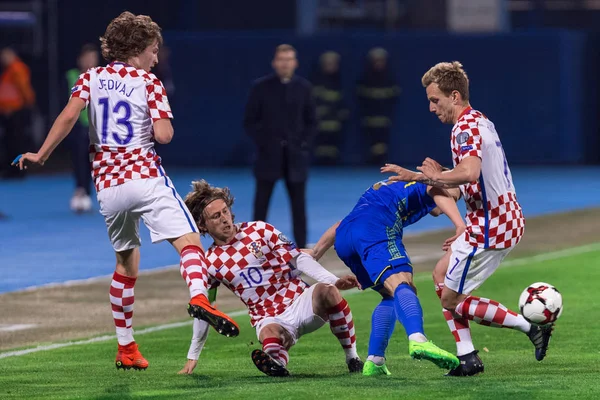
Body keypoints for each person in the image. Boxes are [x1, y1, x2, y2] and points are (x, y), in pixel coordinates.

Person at [12, 11, 238, 371]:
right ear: (138, 49)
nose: (155, 57)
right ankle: (200, 298)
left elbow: (69, 117)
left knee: (126, 266)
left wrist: (41, 153)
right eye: (153, 49)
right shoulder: (150, 83)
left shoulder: (91, 76)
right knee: (190, 242)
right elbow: (163, 136)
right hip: (145, 177)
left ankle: (126, 347)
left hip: (109, 187)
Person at [381, 61, 553, 377]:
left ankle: (529, 327)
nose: (432, 108)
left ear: (455, 95)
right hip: (495, 219)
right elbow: (469, 181)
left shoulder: (464, 128)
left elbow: (469, 172)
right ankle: (468, 356)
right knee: (439, 274)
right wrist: (425, 179)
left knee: (450, 299)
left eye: (435, 100)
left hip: (491, 225)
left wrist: (433, 177)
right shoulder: (480, 122)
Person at [179, 180, 363, 377]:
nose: (225, 218)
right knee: (270, 334)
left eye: (225, 211)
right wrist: (193, 354)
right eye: (216, 216)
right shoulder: (209, 262)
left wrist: (333, 280)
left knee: (327, 291)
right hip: (267, 317)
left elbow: (298, 258)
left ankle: (352, 357)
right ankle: (276, 362)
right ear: (202, 225)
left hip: (301, 301)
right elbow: (206, 308)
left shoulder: (259, 230)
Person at [308, 178, 464, 376]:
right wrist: (460, 224)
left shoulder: (397, 187)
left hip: (345, 237)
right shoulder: (428, 182)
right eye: (455, 196)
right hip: (375, 229)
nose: (452, 201)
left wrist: (315, 252)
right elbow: (436, 188)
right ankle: (418, 339)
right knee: (403, 284)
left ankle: (375, 360)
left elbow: (341, 223)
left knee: (391, 294)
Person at [243, 44, 317, 248]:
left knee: (299, 209)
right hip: (268, 157)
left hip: (295, 159)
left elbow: (312, 121)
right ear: (274, 62)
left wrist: (302, 144)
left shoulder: (304, 88)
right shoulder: (261, 87)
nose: (285, 63)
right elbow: (250, 121)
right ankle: (254, 248)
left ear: (295, 63)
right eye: (281, 59)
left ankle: (302, 251)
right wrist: (264, 143)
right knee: (260, 208)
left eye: (289, 59)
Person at [66, 44, 99, 212]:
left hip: (100, 129)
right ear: (80, 59)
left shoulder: (103, 77)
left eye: (93, 58)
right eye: (87, 58)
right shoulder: (72, 75)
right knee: (80, 159)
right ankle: (80, 191)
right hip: (78, 127)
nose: (90, 61)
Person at [356, 47, 399, 165]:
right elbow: (360, 97)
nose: (379, 64)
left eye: (381, 61)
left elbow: (394, 96)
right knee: (370, 141)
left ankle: (381, 160)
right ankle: (371, 160)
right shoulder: (365, 78)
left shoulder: (389, 78)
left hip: (384, 117)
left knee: (382, 143)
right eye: (376, 61)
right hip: (369, 117)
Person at [0, 47, 35, 179]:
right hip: (8, 112)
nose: (3, 58)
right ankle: (11, 170)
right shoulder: (8, 70)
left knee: (16, 142)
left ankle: (18, 170)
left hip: (16, 111)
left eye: (5, 55)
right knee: (9, 142)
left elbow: (24, 88)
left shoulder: (17, 68)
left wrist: (28, 103)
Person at [310, 51, 348, 165]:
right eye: (328, 64)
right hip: (319, 122)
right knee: (321, 148)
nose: (331, 67)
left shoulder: (339, 81)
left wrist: (342, 113)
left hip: (335, 123)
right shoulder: (315, 80)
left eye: (334, 64)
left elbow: (342, 101)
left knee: (332, 148)